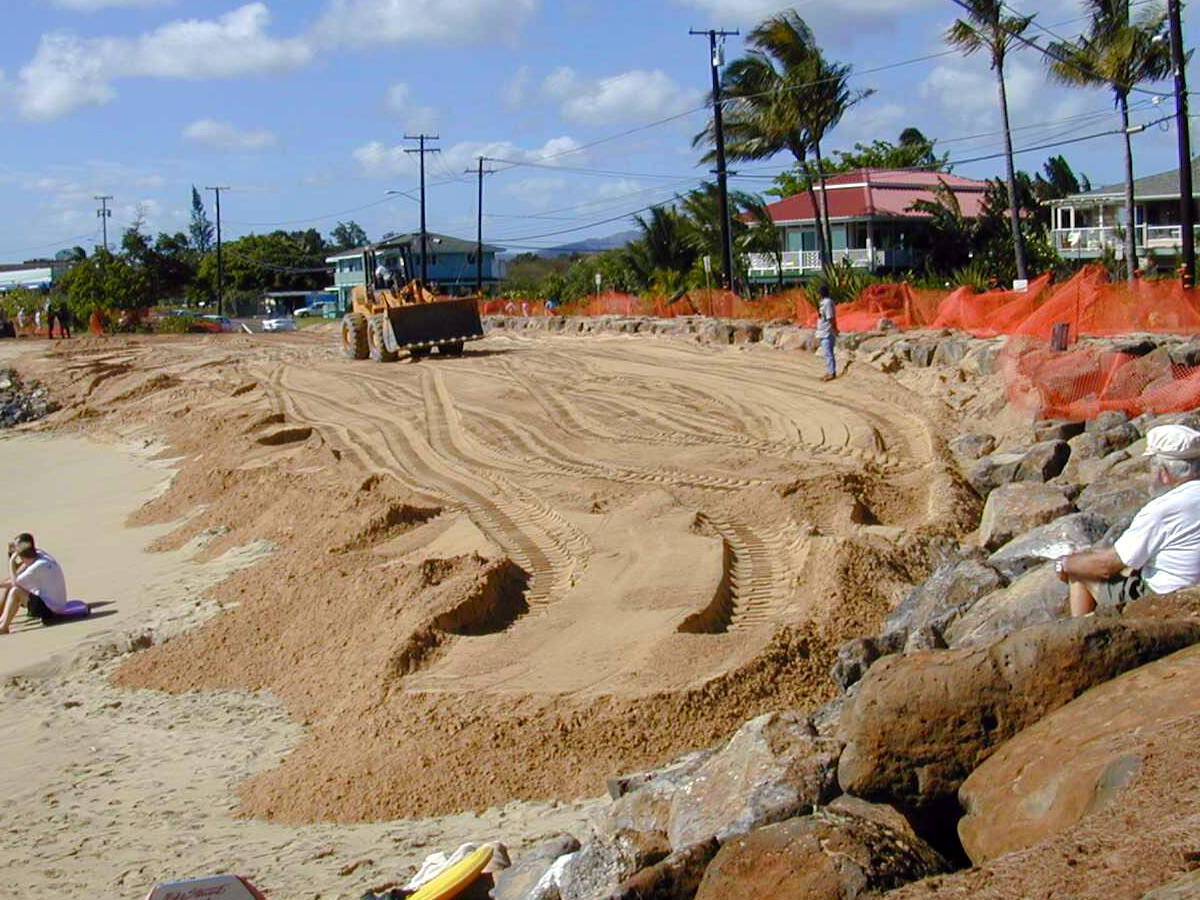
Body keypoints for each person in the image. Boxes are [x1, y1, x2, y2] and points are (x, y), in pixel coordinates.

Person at [1057, 424, 1200, 617]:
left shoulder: (1161, 510)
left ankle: (1083, 633)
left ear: (1164, 473)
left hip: (1165, 597)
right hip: (1194, 586)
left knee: (1081, 572)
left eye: (1151, 467)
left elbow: (1107, 567)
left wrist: (1066, 564)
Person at [0, 533, 69, 633]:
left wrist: (11, 562)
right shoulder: (41, 555)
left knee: (15, 591)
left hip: (52, 611)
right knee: (14, 588)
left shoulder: (36, 568)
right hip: (55, 604)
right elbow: (19, 572)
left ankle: (3, 627)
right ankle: (2, 621)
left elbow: (14, 583)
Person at [815, 283, 838, 382]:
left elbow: (830, 318)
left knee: (829, 353)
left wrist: (835, 329)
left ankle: (831, 373)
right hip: (823, 332)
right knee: (827, 353)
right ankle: (829, 371)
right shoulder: (823, 303)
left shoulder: (827, 303)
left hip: (827, 332)